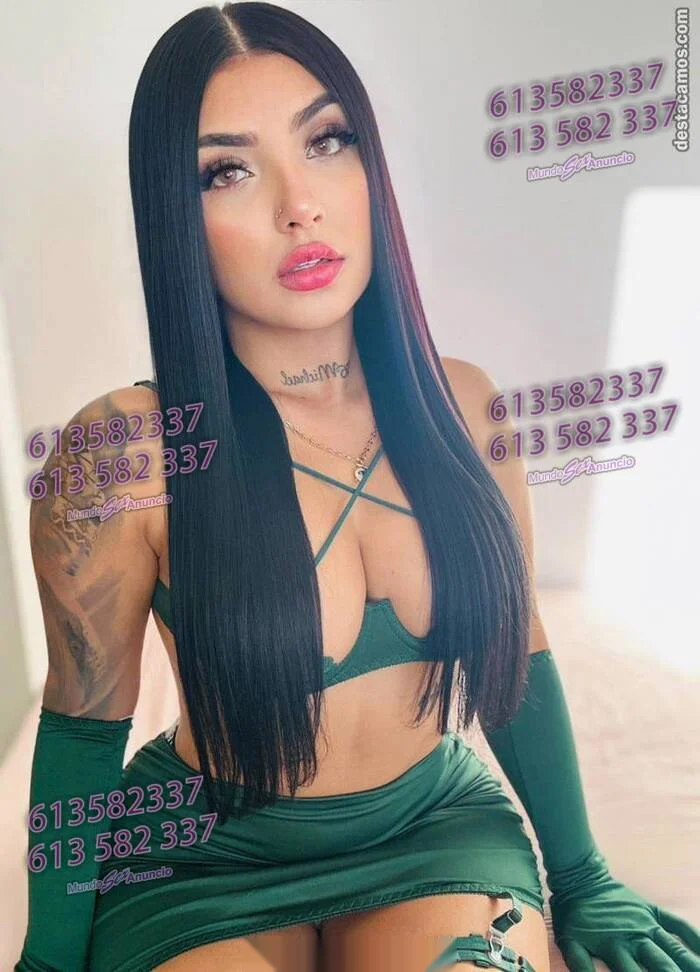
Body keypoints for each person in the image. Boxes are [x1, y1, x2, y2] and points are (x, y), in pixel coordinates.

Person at [16, 3, 700, 971]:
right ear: (176, 214)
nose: (299, 205)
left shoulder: (468, 410)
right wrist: (47, 962)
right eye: (228, 171)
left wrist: (582, 876)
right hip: (200, 861)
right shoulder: (124, 454)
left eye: (327, 141)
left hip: (434, 832)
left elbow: (520, 659)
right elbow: (84, 732)